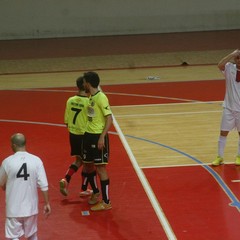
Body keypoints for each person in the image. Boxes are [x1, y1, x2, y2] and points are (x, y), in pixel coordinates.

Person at [0, 133, 51, 240]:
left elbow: (2, 183)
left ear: (14, 145)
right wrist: (47, 203)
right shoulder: (36, 160)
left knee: (13, 236)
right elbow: (44, 185)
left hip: (13, 209)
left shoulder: (7, 162)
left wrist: (5, 186)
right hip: (31, 208)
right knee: (32, 235)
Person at [82, 71, 113, 211]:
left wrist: (102, 137)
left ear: (88, 83)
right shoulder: (90, 97)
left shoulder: (101, 98)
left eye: (84, 82)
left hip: (97, 136)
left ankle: (106, 202)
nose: (83, 84)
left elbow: (109, 118)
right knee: (88, 165)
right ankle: (96, 192)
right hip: (88, 135)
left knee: (100, 168)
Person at [59, 76, 95, 197]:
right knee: (89, 162)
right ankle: (84, 188)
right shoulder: (89, 102)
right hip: (84, 136)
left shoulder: (70, 100)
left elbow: (66, 121)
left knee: (78, 160)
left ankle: (66, 180)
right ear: (85, 86)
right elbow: (92, 119)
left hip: (73, 134)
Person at [212, 49, 240, 166]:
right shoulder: (229, 68)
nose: (238, 60)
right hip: (228, 107)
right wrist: (231, 54)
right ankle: (220, 156)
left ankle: (239, 156)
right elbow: (220, 65)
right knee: (223, 133)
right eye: (237, 58)